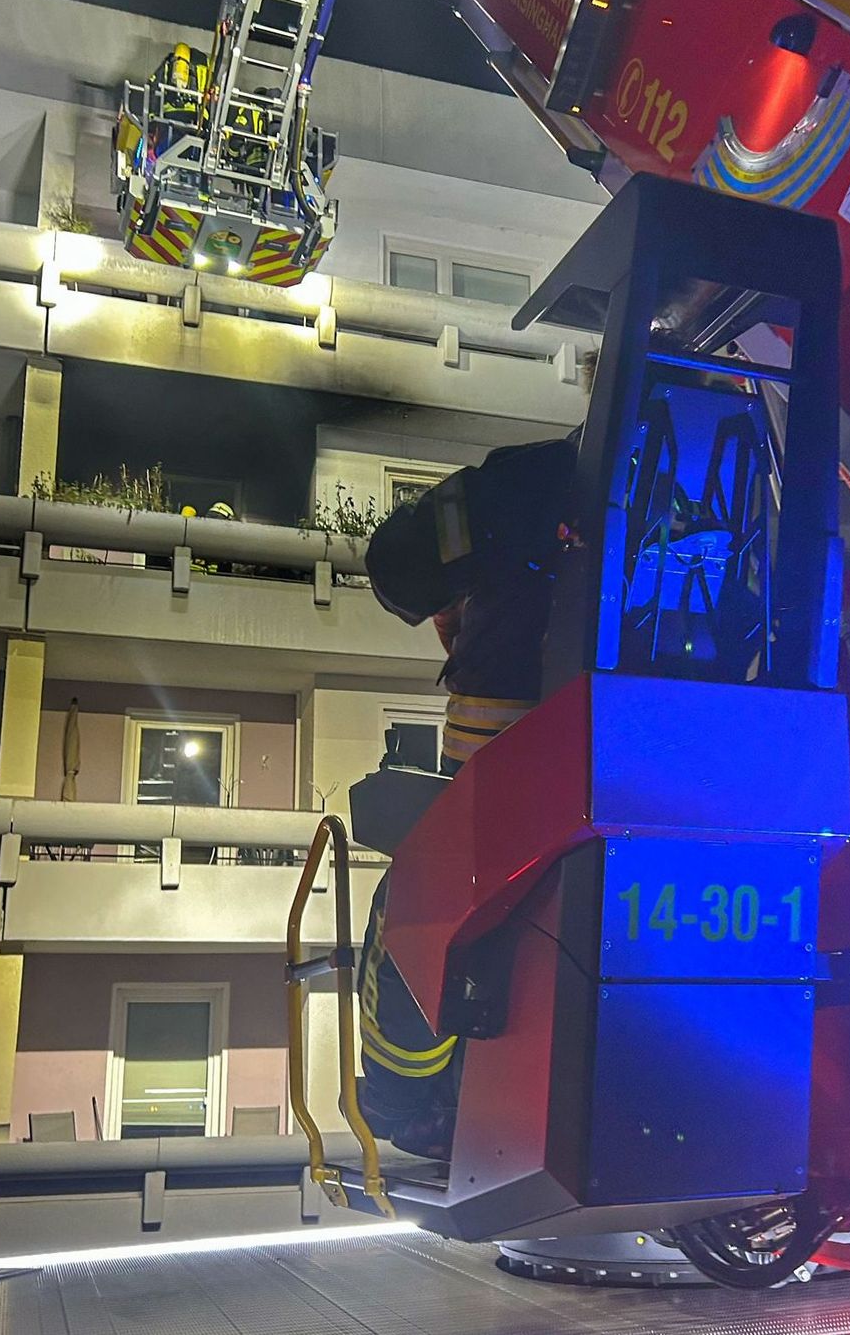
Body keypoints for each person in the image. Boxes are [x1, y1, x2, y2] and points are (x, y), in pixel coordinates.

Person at [355, 428, 583, 1157]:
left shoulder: (541, 474)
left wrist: (453, 589)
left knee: (417, 905)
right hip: (662, 764)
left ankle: (401, 1099)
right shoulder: (749, 482)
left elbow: (398, 568)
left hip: (514, 754)